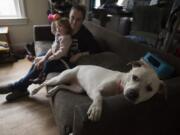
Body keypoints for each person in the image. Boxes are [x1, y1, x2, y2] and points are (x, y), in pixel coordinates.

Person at [0, 5, 100, 101]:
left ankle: (16, 86)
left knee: (46, 63)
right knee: (40, 57)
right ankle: (22, 88)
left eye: (78, 19)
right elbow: (56, 36)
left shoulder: (85, 34)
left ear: (82, 20)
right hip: (58, 55)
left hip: (66, 62)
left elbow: (96, 49)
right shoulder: (66, 26)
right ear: (69, 15)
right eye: (72, 17)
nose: (74, 22)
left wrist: (80, 55)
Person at [31, 17, 72, 84]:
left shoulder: (66, 38)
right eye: (58, 26)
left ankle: (42, 77)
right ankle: (35, 64)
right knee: (38, 59)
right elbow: (53, 31)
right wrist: (53, 21)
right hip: (54, 55)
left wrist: (51, 57)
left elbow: (62, 52)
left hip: (62, 59)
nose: (58, 28)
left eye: (61, 26)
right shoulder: (59, 34)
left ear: (67, 28)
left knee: (48, 63)